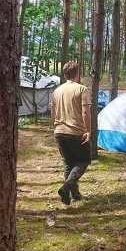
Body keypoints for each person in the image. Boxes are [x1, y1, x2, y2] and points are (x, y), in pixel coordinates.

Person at [51, 61, 91, 205]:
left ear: (65, 74)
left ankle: (74, 194)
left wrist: (54, 127)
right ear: (77, 74)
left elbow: (53, 112)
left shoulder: (57, 91)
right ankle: (66, 187)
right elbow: (85, 111)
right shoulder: (82, 89)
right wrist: (88, 131)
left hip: (59, 131)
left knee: (69, 163)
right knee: (84, 160)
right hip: (76, 131)